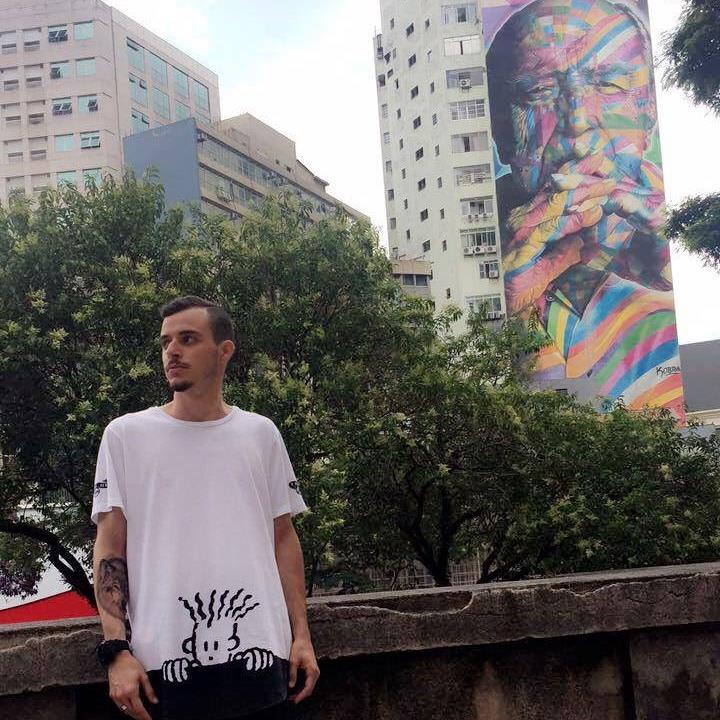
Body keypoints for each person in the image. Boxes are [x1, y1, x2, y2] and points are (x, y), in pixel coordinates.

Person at [91, 296, 320, 720]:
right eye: (166, 342)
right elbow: (109, 548)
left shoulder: (261, 433)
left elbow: (284, 539)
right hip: (163, 665)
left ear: (224, 350)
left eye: (188, 339)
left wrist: (301, 636)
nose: (172, 351)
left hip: (262, 656)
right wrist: (116, 649)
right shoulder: (124, 436)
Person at [486, 0, 684, 417]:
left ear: (648, 115)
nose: (577, 121)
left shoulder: (682, 234)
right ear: (501, 132)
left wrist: (679, 254)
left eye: (609, 85)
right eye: (539, 92)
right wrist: (496, 308)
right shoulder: (487, 257)